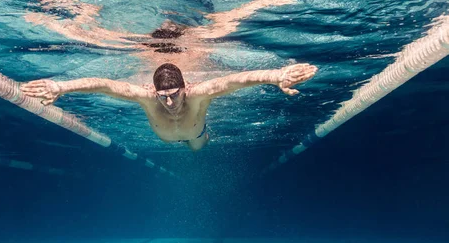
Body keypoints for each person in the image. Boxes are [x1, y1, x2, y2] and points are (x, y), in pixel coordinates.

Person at [21, 62, 317, 151]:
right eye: (163, 96)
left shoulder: (199, 93)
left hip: (195, 133)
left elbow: (232, 81)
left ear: (185, 88)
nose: (170, 102)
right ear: (154, 91)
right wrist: (61, 86)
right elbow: (106, 85)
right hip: (167, 135)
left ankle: (202, 138)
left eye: (174, 94)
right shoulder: (148, 97)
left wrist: (276, 76)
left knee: (197, 148)